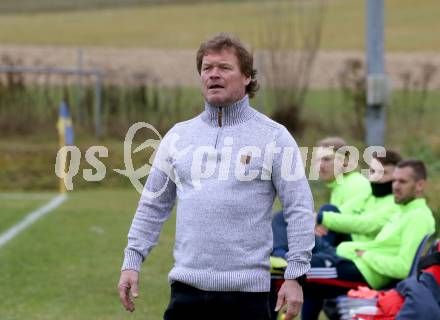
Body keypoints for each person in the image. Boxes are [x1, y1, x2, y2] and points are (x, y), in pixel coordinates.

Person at [117, 33, 315, 320]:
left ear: (247, 76)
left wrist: (295, 275)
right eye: (207, 68)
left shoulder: (274, 136)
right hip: (186, 291)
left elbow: (298, 207)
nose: (214, 75)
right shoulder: (178, 136)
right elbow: (153, 205)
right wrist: (131, 261)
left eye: (224, 67)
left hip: (248, 297)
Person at [301, 159, 436, 320]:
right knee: (291, 263)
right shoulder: (403, 211)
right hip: (351, 262)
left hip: (365, 273)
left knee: (289, 271)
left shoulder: (418, 217)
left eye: (402, 182)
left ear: (420, 185)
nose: (395, 186)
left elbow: (404, 267)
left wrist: (365, 255)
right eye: (394, 181)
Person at [272, 137, 371, 258]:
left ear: (344, 161)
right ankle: (281, 255)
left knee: (325, 210)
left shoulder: (357, 183)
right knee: (286, 216)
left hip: (354, 248)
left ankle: (283, 257)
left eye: (326, 159)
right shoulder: (339, 187)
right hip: (340, 240)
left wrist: (318, 220)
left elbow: (352, 221)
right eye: (317, 161)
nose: (320, 166)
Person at [315, 149, 402, 243]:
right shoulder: (369, 194)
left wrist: (321, 217)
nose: (377, 177)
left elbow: (368, 224)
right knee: (328, 210)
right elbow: (342, 213)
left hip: (363, 251)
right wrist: (318, 220)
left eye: (384, 172)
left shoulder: (396, 202)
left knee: (327, 214)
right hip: (349, 246)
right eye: (373, 171)